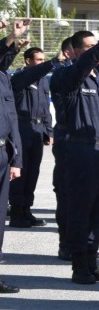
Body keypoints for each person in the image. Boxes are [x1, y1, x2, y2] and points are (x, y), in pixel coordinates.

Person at [50, 17, 99, 285]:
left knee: (97, 212)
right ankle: (79, 265)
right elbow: (83, 66)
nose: (98, 51)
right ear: (74, 52)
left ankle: (92, 261)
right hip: (79, 152)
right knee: (80, 211)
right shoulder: (66, 77)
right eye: (91, 47)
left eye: (98, 47)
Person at [9, 46, 55, 228]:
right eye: (39, 60)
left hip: (37, 129)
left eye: (44, 60)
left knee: (33, 172)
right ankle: (17, 212)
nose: (42, 63)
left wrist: (48, 131)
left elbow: (46, 108)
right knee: (21, 170)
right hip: (22, 127)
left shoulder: (43, 81)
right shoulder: (21, 77)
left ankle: (27, 209)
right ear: (28, 61)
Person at [0, 20, 25, 293]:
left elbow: (11, 120)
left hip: (3, 153)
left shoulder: (4, 78)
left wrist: (15, 159)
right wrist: (9, 36)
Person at [49, 36, 76, 261]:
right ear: (69, 53)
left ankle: (81, 245)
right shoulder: (62, 75)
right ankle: (66, 243)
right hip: (68, 141)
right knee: (67, 194)